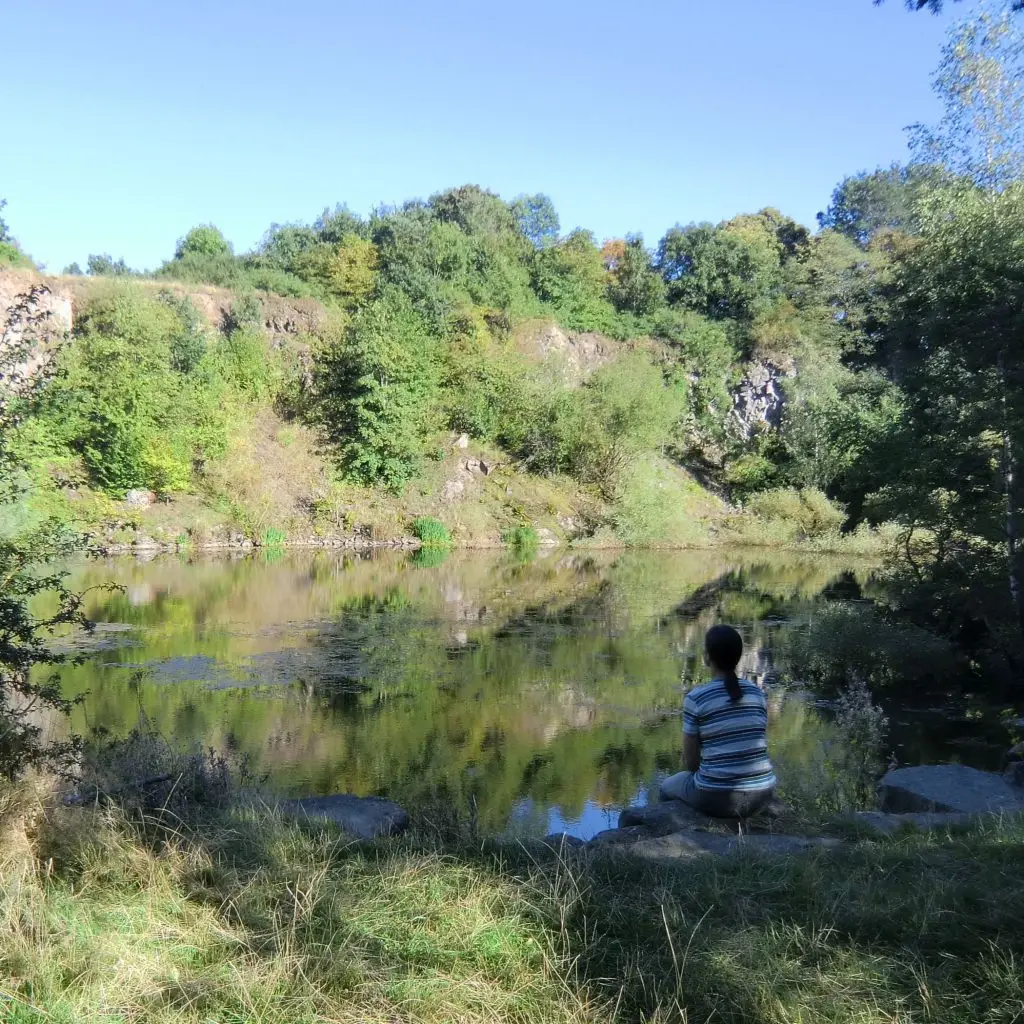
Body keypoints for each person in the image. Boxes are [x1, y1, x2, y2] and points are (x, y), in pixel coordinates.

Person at [660, 624, 776, 817]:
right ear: (738, 657)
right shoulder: (757, 694)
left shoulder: (696, 698)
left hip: (718, 796)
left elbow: (691, 763)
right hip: (763, 794)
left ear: (707, 657)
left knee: (666, 787)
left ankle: (670, 826)